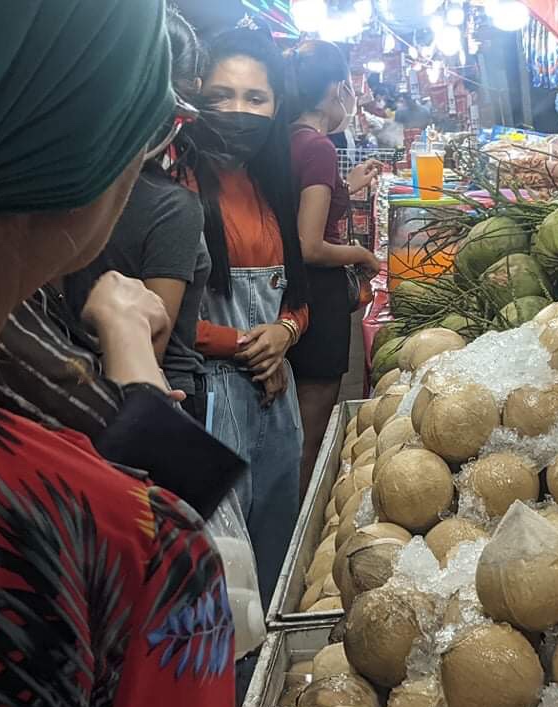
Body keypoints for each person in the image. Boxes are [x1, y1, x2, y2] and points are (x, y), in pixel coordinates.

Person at [0, 1, 235, 707]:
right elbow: (136, 506)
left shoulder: (4, 315)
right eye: (152, 127)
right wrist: (133, 349)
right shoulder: (140, 549)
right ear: (79, 171)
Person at [181, 27, 309, 611]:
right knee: (223, 575)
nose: (239, 111)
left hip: (275, 397)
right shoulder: (175, 189)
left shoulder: (270, 186)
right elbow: (162, 320)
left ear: (276, 105)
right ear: (197, 99)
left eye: (255, 98)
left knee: (278, 554)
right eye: (221, 97)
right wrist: (241, 345)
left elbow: (299, 299)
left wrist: (283, 334)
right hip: (208, 400)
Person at [63, 9, 211, 413]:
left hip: (73, 391)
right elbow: (151, 349)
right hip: (144, 398)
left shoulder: (60, 184)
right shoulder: (171, 206)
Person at [286, 40, 382, 498]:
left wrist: (346, 186)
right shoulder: (319, 147)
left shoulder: (292, 138)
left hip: (290, 292)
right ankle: (294, 528)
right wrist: (363, 258)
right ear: (337, 89)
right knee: (310, 424)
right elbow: (309, 244)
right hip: (318, 297)